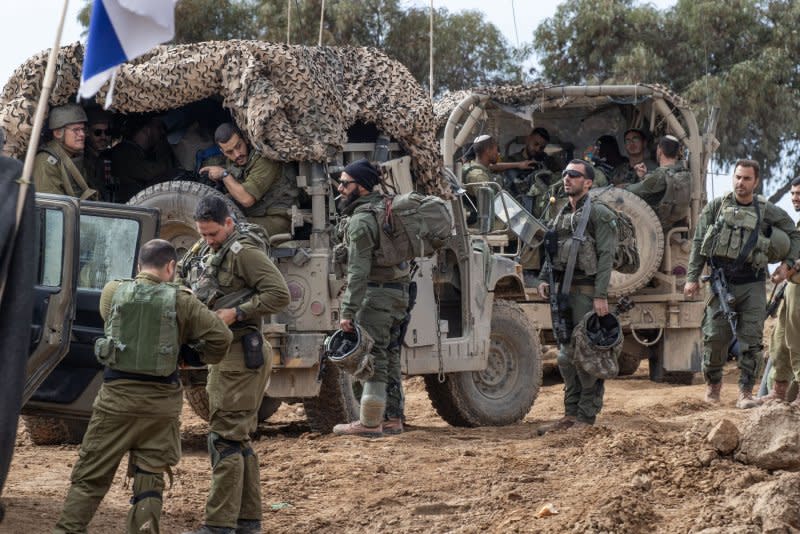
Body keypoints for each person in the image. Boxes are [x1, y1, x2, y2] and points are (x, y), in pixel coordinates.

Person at [53, 239, 232, 534]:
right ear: (171, 267)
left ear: (138, 267)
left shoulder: (114, 291)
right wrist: (190, 356)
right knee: (150, 480)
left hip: (116, 401)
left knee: (90, 478)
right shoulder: (182, 300)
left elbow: (109, 317)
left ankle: (68, 530)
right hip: (160, 406)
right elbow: (221, 338)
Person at [181, 195, 290, 534]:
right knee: (237, 439)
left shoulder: (245, 253)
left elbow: (279, 294)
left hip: (242, 354)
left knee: (224, 439)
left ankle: (218, 525)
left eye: (213, 234)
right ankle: (246, 521)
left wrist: (236, 312)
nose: (208, 240)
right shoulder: (206, 249)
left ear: (228, 223)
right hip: (224, 356)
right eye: (203, 234)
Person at [685, 160, 800, 408]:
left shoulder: (765, 209)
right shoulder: (717, 206)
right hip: (720, 282)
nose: (741, 183)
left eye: (747, 178)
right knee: (714, 337)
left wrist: (787, 264)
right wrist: (692, 277)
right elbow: (698, 242)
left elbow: (793, 232)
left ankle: (745, 393)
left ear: (755, 182)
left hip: (753, 282)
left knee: (751, 340)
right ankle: (713, 387)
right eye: (737, 177)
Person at [535, 159, 618, 433]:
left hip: (587, 292)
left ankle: (586, 417)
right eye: (565, 174)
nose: (567, 178)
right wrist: (545, 278)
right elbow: (551, 249)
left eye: (574, 174)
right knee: (565, 357)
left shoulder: (600, 214)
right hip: (564, 293)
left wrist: (601, 295)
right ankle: (570, 414)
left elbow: (606, 256)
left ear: (588, 183)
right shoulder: (561, 214)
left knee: (587, 357)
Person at [332, 159, 411, 437]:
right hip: (399, 294)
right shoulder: (385, 208)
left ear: (362, 187)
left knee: (371, 357)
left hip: (376, 296)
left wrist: (348, 311)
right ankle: (392, 419)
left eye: (345, 183)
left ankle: (369, 423)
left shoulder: (361, 221)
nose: (340, 188)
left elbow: (357, 272)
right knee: (388, 354)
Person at [199, 123, 298, 238]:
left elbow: (246, 199)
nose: (237, 154)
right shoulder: (232, 162)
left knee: (224, 231)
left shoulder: (265, 159)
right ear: (222, 152)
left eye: (238, 146)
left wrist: (224, 175)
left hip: (277, 220)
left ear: (245, 139)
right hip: (255, 214)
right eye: (229, 152)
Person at [759, 176, 800, 405]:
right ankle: (778, 391)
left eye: (799, 194)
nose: (795, 197)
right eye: (793, 193)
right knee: (780, 341)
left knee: (798, 344)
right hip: (791, 291)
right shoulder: (796, 225)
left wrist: (792, 267)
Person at [622, 135, 691, 228]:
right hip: (672, 223)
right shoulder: (683, 172)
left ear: (660, 150)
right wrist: (645, 176)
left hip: (654, 224)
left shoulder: (661, 174)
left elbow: (631, 191)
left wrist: (621, 187)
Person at [33, 103, 98, 200]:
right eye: (76, 130)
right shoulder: (46, 161)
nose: (82, 134)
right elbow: (52, 208)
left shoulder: (77, 156)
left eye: (83, 129)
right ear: (58, 133)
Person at [110, 115, 178, 202]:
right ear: (147, 130)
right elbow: (152, 172)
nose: (162, 132)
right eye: (158, 128)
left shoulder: (137, 151)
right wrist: (163, 148)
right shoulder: (124, 152)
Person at [83, 107, 115, 200]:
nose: (103, 137)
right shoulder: (82, 160)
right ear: (87, 133)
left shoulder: (103, 158)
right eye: (97, 132)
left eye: (108, 132)